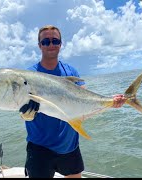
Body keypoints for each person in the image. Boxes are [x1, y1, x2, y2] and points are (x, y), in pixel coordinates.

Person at [20, 25, 126, 178]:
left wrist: (111, 102)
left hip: (69, 145)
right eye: (45, 42)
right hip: (39, 147)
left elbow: (85, 100)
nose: (51, 45)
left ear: (60, 44)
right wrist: (26, 115)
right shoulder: (29, 75)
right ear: (39, 46)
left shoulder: (71, 72)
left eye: (55, 41)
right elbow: (21, 107)